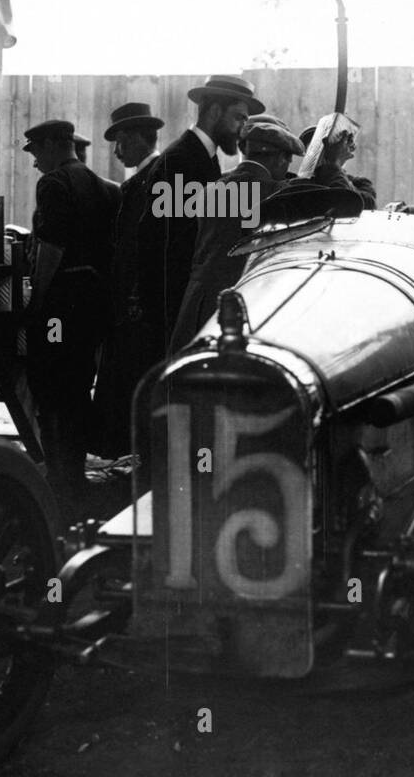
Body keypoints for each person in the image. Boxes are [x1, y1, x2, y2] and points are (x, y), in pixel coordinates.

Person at [21, 119, 118, 525]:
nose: (35, 164)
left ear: (54, 145)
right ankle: (73, 479)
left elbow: (51, 248)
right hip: (93, 306)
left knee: (49, 388)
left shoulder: (55, 184)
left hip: (60, 306)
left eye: (37, 152)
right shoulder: (107, 188)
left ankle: (58, 483)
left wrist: (37, 301)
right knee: (77, 389)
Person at [136, 74, 263, 359]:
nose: (243, 130)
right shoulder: (180, 160)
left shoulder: (203, 158)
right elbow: (161, 244)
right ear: (215, 111)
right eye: (239, 118)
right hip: (175, 307)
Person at [170, 115, 304, 351]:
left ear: (244, 150)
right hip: (243, 309)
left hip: (197, 307)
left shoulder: (211, 188)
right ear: (283, 159)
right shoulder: (280, 193)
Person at [91, 101, 164, 458]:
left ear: (139, 137)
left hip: (138, 307)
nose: (117, 151)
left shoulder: (151, 180)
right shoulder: (145, 178)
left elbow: (141, 247)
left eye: (121, 141)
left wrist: (133, 298)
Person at [299, 122, 376, 205]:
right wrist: (334, 164)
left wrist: (334, 164)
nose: (319, 154)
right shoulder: (299, 185)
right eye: (312, 149)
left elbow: (354, 203)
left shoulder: (361, 184)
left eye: (326, 149)